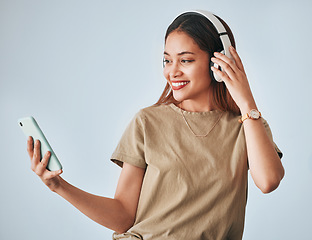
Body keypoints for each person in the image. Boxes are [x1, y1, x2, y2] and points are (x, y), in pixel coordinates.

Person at [26, 10, 284, 240]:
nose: (172, 72)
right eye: (167, 60)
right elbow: (124, 217)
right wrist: (58, 186)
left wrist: (245, 99)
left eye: (186, 60)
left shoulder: (247, 125)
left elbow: (268, 181)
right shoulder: (147, 122)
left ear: (218, 62)